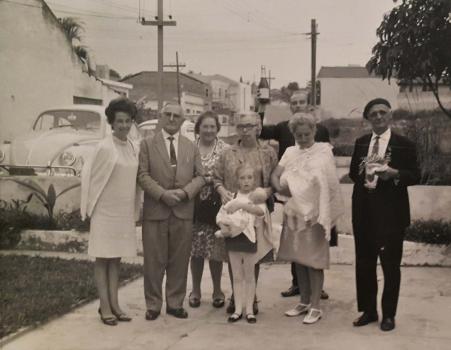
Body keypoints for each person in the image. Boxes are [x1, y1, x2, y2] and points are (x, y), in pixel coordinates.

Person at [349, 98, 420, 331]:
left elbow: (416, 175)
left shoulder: (404, 143)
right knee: (364, 264)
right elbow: (352, 174)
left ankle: (388, 315)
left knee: (390, 266)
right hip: (364, 213)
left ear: (390, 115)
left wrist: (394, 173)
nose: (378, 117)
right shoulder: (361, 143)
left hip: (391, 214)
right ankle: (369, 311)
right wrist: (365, 174)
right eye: (373, 114)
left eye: (382, 112)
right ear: (368, 119)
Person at [260, 91, 334, 299]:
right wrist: (261, 106)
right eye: (294, 103)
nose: (302, 137)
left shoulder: (322, 133)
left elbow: (327, 170)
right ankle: (298, 286)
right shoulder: (284, 129)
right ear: (290, 107)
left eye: (302, 101)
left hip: (314, 202)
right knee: (296, 246)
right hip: (292, 199)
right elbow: (260, 131)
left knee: (314, 249)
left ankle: (317, 290)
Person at [271, 112, 343, 324]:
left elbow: (327, 183)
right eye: (298, 135)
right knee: (299, 259)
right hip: (294, 213)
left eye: (306, 134)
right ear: (293, 134)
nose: (303, 139)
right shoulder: (290, 151)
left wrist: (301, 192)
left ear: (314, 131)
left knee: (314, 261)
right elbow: (276, 175)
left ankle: (316, 306)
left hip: (315, 215)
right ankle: (303, 302)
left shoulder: (323, 152)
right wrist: (282, 189)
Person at [138, 103, 205, 320]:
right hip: (156, 210)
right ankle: (153, 305)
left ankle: (175, 303)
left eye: (177, 116)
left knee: (179, 260)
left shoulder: (191, 146)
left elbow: (201, 176)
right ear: (160, 116)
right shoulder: (147, 144)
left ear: (183, 120)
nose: (172, 118)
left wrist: (185, 193)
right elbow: (142, 175)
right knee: (153, 260)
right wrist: (162, 194)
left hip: (183, 211)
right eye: (168, 114)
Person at [80, 97, 140, 326]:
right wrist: (88, 209)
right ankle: (104, 306)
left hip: (123, 211)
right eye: (120, 121)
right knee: (103, 257)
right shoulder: (104, 147)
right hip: (104, 211)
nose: (124, 125)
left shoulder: (133, 146)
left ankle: (115, 304)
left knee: (115, 258)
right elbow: (90, 178)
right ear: (112, 123)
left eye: (128, 121)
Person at [214, 111, 278, 315]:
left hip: (255, 212)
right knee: (233, 254)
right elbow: (216, 178)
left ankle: (252, 298)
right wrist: (222, 191)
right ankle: (236, 296)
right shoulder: (227, 152)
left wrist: (266, 192)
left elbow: (276, 182)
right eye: (241, 126)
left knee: (253, 254)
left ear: (258, 127)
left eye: (249, 126)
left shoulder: (268, 152)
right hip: (233, 212)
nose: (245, 130)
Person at [216, 163, 272, 324]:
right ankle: (237, 309)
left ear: (254, 180)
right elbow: (221, 215)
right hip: (234, 240)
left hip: (249, 240)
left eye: (249, 177)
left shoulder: (255, 196)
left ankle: (249, 310)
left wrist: (242, 205)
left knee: (249, 275)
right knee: (237, 275)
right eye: (242, 178)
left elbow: (261, 211)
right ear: (237, 180)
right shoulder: (232, 196)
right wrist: (223, 226)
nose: (246, 181)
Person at [188, 111, 228, 309]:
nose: (209, 130)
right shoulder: (189, 147)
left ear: (217, 128)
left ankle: (217, 290)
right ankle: (195, 290)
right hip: (193, 204)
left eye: (213, 126)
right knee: (195, 249)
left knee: (215, 249)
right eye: (205, 126)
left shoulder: (224, 149)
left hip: (216, 204)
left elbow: (227, 174)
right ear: (199, 128)